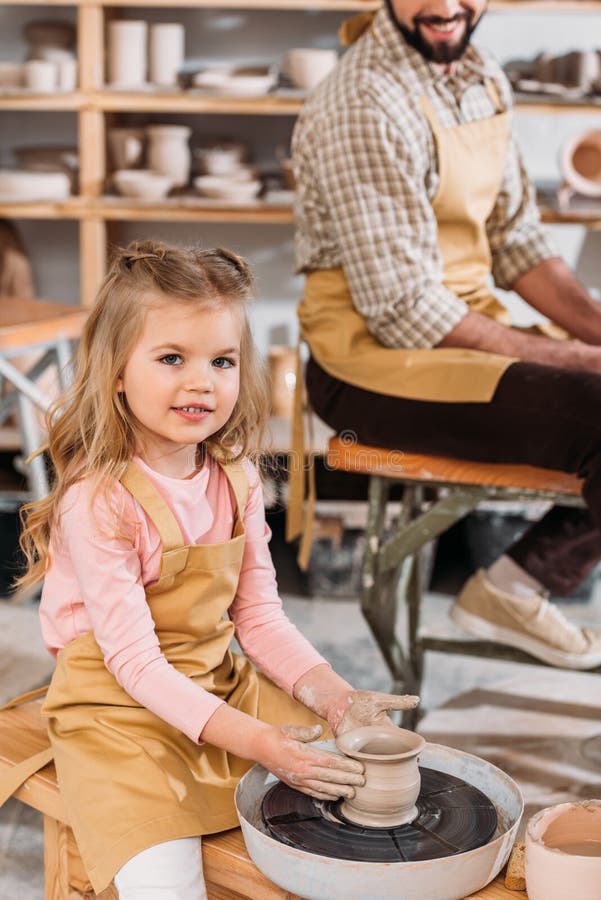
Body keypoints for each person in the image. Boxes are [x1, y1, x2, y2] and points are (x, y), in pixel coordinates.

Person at [14, 240, 419, 899]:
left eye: (221, 361)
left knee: (353, 766)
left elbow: (257, 616)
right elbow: (137, 666)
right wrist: (261, 743)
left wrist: (333, 694)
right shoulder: (100, 500)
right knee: (167, 883)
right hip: (116, 707)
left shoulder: (234, 478)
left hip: (211, 677)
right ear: (116, 370)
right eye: (172, 358)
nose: (201, 380)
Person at [290, 0, 601, 670]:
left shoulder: (480, 74)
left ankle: (512, 586)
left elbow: (515, 241)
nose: (443, 3)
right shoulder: (362, 100)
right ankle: (520, 587)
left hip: (462, 328)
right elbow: (403, 309)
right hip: (369, 363)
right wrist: (577, 358)